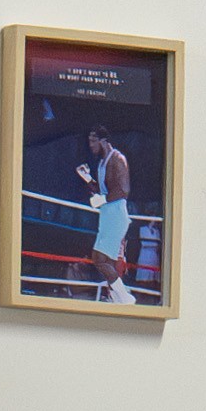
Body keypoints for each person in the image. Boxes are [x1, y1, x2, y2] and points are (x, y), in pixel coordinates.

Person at [78, 125, 139, 303]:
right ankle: (118, 296)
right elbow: (103, 190)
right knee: (107, 260)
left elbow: (123, 190)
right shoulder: (102, 162)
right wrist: (88, 179)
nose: (90, 145)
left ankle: (124, 296)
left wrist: (102, 201)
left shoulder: (118, 159)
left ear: (103, 141)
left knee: (99, 259)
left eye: (93, 141)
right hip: (107, 216)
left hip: (116, 215)